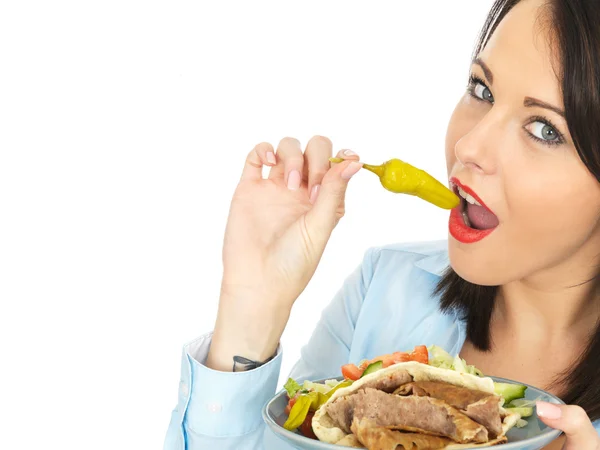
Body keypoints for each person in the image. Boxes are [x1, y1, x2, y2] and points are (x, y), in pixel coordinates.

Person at [164, 0, 600, 448]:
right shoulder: (384, 289)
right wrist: (251, 307)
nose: (469, 146)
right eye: (482, 90)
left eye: (545, 129)